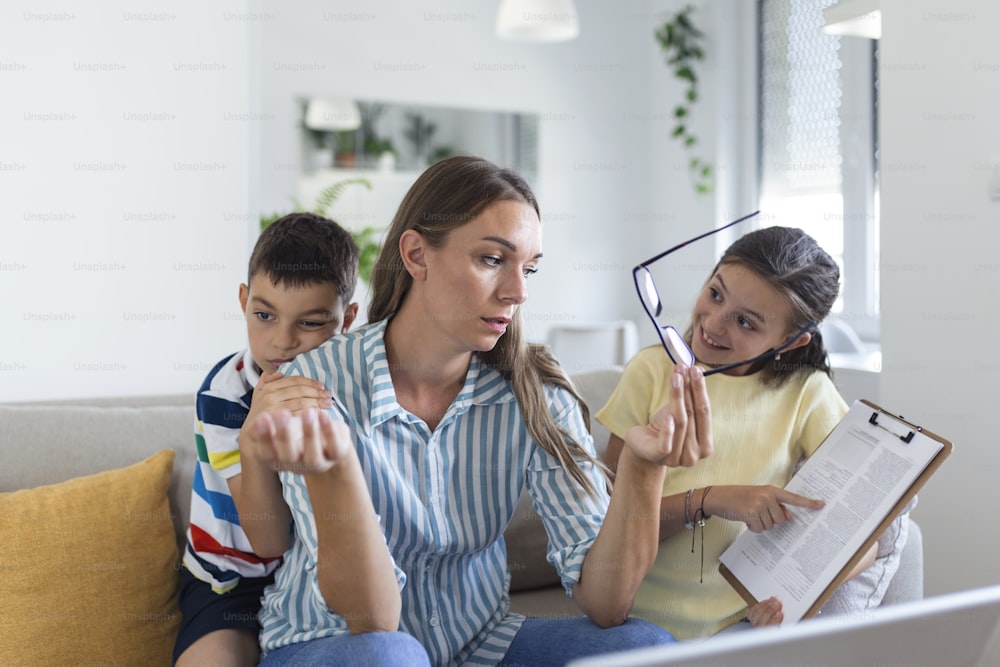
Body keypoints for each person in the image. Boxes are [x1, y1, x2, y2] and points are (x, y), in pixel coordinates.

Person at [234, 155, 714, 666]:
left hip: (480, 644)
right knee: (389, 657)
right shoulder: (313, 386)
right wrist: (338, 469)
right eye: (491, 259)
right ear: (417, 256)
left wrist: (644, 468)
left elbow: (607, 603)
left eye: (528, 268)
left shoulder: (537, 391)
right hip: (333, 646)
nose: (518, 291)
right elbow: (372, 621)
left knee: (643, 649)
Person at [597, 225, 912, 640]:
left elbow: (863, 542)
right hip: (636, 622)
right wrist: (711, 500)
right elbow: (606, 521)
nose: (713, 323)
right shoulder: (651, 371)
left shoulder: (806, 394)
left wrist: (792, 598)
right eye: (715, 293)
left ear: (791, 342)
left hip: (739, 630)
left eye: (745, 322)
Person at [173, 212, 360, 666]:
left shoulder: (354, 388)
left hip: (312, 581)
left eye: (311, 323)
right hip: (231, 582)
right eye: (264, 315)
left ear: (347, 319)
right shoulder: (225, 394)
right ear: (243, 301)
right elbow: (269, 540)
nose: (282, 341)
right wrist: (256, 433)